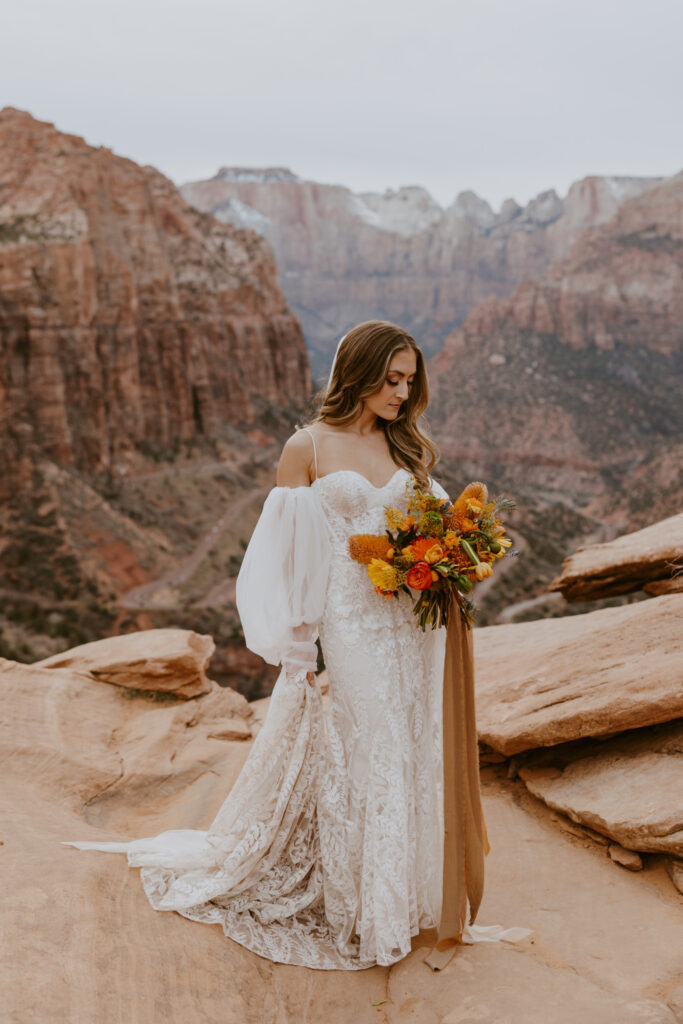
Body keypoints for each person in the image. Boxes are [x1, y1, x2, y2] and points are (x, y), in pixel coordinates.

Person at [62, 320, 532, 970]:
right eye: (390, 379)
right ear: (358, 374)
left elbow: (436, 524)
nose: (402, 392)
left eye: (408, 380)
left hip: (413, 626)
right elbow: (282, 559)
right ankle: (368, 912)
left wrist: (451, 554)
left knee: (411, 744)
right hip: (348, 621)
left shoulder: (409, 448)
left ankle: (409, 899)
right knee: (371, 747)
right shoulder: (305, 447)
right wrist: (297, 652)